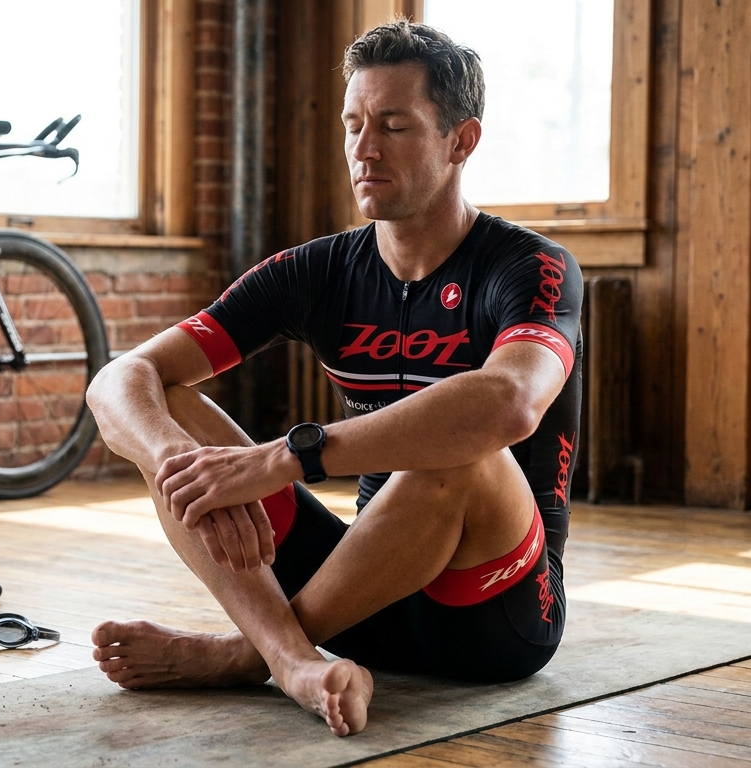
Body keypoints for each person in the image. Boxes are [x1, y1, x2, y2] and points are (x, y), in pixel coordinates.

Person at [85, 19, 581, 738]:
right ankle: (292, 659)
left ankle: (242, 657)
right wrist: (176, 462)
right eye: (353, 125)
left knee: (464, 451)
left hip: (496, 615)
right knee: (167, 413)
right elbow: (120, 379)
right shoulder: (318, 269)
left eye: (393, 125)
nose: (364, 149)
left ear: (461, 141)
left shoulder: (530, 266)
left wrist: (288, 456)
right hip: (362, 590)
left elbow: (510, 403)